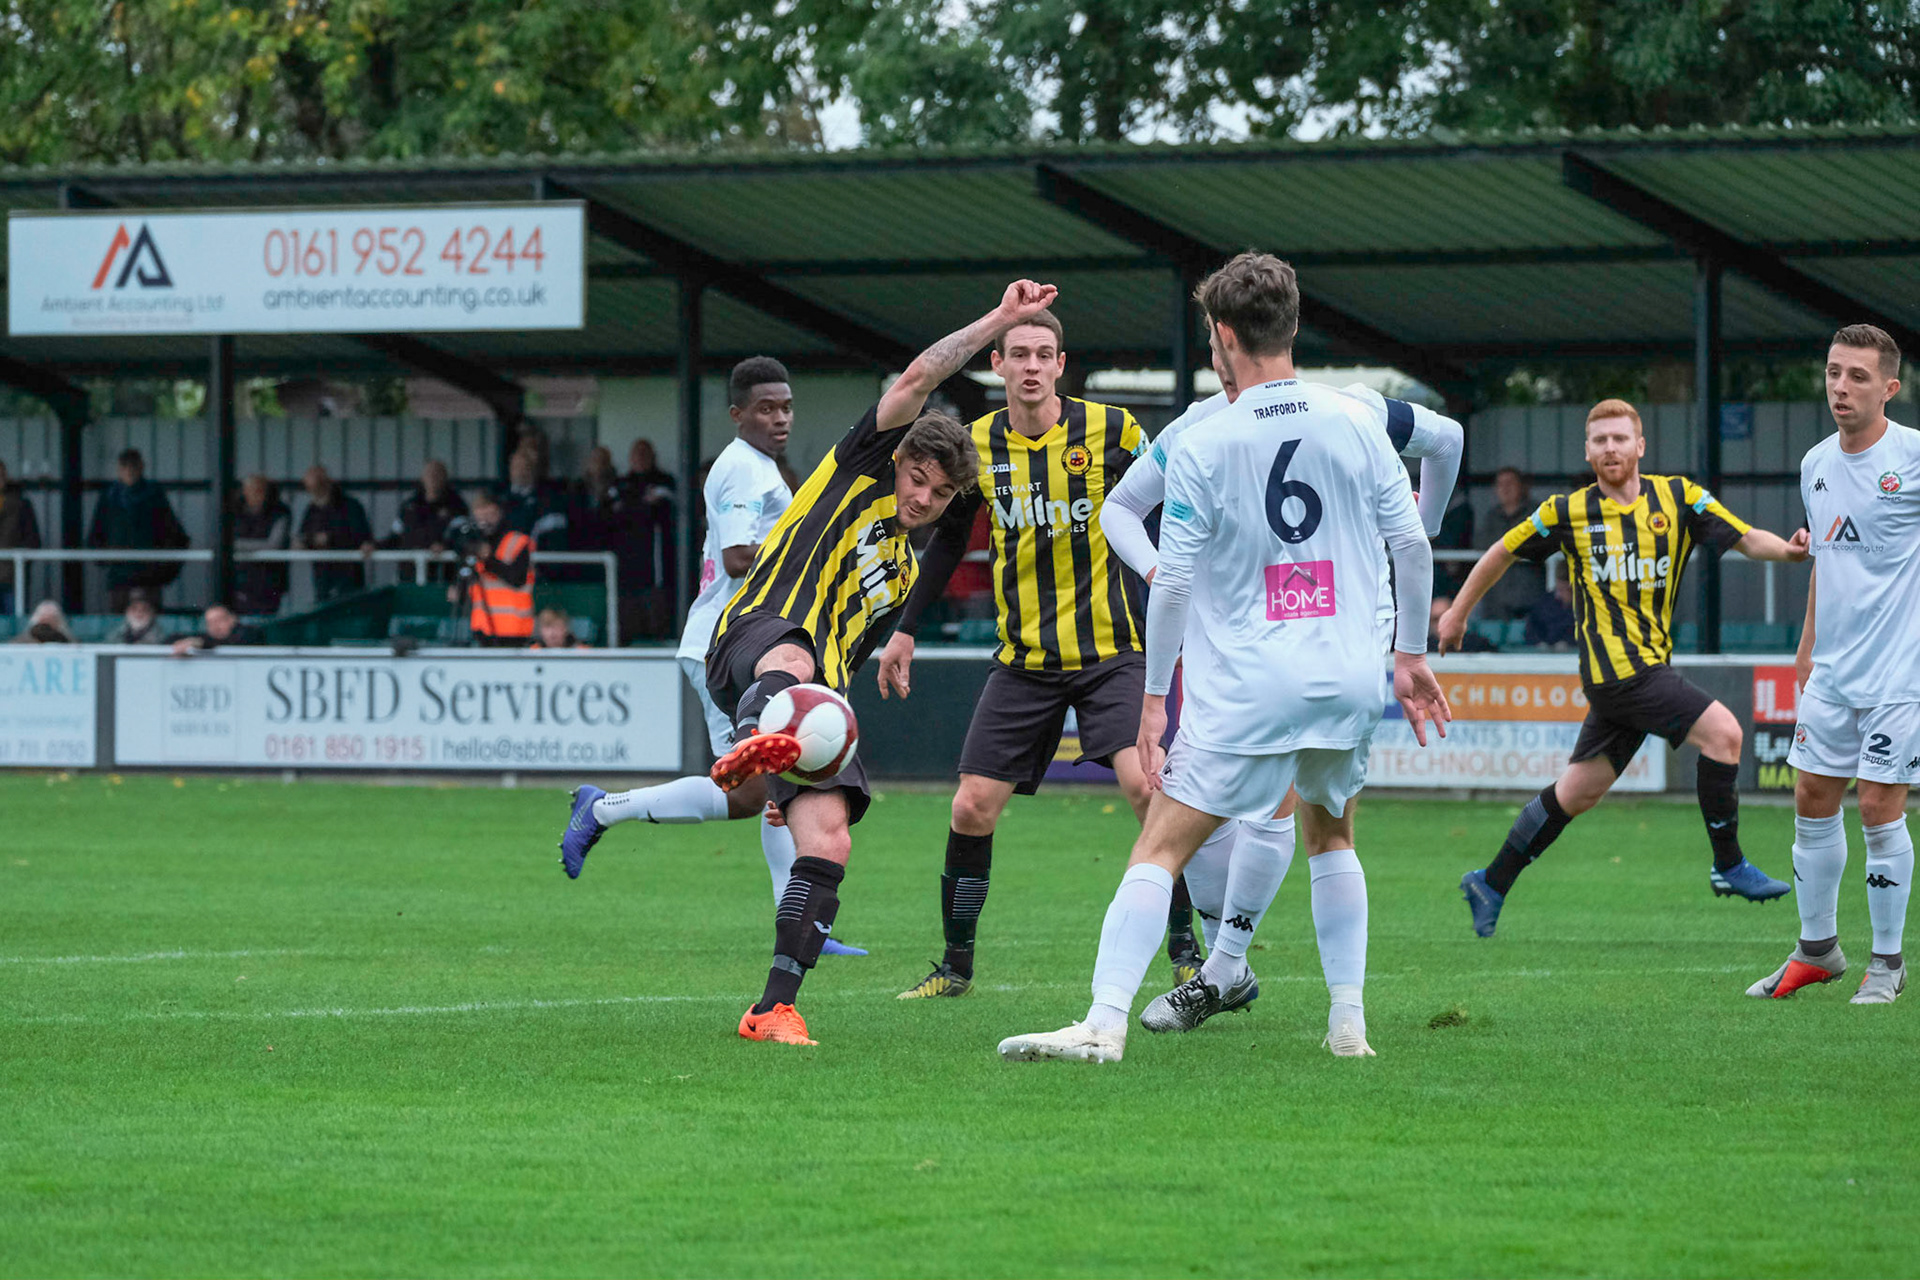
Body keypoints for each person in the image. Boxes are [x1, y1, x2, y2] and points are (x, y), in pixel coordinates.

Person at [559, 279, 1054, 1047]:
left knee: (827, 840)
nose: (921, 498)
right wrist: (1000, 319)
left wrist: (864, 681)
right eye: (916, 479)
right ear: (898, 459)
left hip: (811, 690)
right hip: (755, 636)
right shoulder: (861, 463)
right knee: (793, 659)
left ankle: (772, 1008)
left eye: (938, 493)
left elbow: (852, 644)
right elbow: (920, 376)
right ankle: (758, 732)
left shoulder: (901, 569)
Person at [997, 252, 1451, 1064]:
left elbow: (1172, 581)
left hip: (1253, 680)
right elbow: (1413, 546)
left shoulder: (1206, 437)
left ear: (1225, 337)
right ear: (1292, 326)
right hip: (1350, 675)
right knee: (1332, 834)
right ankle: (1348, 1026)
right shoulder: (1357, 417)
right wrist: (1411, 656)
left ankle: (1102, 1024)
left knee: (1161, 845)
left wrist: (1153, 701)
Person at [1101, 353, 1464, 1033]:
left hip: (1274, 660)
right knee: (1263, 825)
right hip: (1285, 658)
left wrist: (1421, 529)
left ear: (1230, 342)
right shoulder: (1347, 409)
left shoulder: (1222, 426)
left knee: (1206, 827)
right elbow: (1447, 442)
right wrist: (1423, 524)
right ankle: (1241, 972)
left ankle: (1203, 976)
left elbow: (1447, 442)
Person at [879, 308, 1195, 1001]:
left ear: (1060, 364)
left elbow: (1176, 509)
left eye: (1042, 354)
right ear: (997, 365)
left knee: (1147, 791)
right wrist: (905, 628)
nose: (1030, 365)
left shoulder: (1115, 430)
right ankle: (955, 967)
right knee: (971, 807)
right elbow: (950, 540)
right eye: (1017, 353)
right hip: (1024, 661)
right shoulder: (977, 443)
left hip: (1114, 651)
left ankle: (1186, 952)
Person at [1438, 398, 1811, 938]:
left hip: (1644, 669)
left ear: (1640, 445)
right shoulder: (1566, 511)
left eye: (1619, 438)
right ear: (1587, 452)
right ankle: (1728, 865)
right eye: (1600, 440)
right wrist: (1457, 614)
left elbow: (1746, 537)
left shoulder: (1679, 497)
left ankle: (1491, 881)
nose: (1610, 448)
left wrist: (1790, 552)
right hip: (1617, 673)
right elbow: (1501, 550)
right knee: (1726, 734)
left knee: (1578, 791)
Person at [571, 359, 868, 949]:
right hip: (726, 642)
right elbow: (737, 557)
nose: (780, 418)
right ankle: (603, 809)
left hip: (748, 639)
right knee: (764, 781)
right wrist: (812, 556)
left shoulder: (760, 468)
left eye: (786, 407)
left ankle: (799, 918)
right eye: (766, 408)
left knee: (765, 785)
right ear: (737, 414)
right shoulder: (741, 468)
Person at [1749, 324, 1919, 1005]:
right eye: (1833, 372)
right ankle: (1817, 950)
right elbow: (1825, 558)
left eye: (1857, 376)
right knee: (1811, 799)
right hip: (1832, 669)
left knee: (1877, 807)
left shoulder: (1913, 457)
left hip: (1901, 673)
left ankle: (1888, 964)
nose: (1840, 387)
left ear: (1890, 387)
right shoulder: (1815, 462)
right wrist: (1805, 648)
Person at [86, 448, 189, 611]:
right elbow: (96, 533)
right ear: (119, 469)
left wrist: (163, 571)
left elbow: (174, 535)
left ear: (141, 467)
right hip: (120, 575)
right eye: (125, 467)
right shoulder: (110, 496)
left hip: (149, 575)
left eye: (133, 467)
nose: (129, 471)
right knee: (120, 618)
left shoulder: (153, 495)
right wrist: (106, 558)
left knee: (148, 616)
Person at [450, 493, 535, 647]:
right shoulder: (475, 542)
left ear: (499, 513)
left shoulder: (517, 541)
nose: (485, 522)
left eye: (490, 515)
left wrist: (488, 559)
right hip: (483, 628)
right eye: (480, 517)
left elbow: (517, 579)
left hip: (514, 628)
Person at [616, 439, 678, 638]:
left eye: (645, 453)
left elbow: (659, 510)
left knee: (657, 618)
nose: (640, 458)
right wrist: (640, 505)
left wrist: (632, 506)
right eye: (637, 454)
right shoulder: (621, 483)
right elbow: (613, 515)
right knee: (630, 620)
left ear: (653, 457)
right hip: (627, 566)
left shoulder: (665, 481)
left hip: (656, 567)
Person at [378, 460, 468, 583]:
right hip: (408, 575)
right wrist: (374, 546)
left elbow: (462, 536)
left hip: (441, 578)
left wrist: (446, 545)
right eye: (429, 474)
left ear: (445, 477)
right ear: (422, 477)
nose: (433, 477)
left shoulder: (456, 506)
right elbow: (395, 537)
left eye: (437, 473)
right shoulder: (409, 506)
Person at [295, 465, 372, 602]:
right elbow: (303, 535)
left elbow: (361, 536)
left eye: (315, 487)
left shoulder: (350, 506)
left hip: (348, 573)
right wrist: (307, 541)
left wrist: (330, 538)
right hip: (322, 574)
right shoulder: (312, 509)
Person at [1479, 467, 1546, 620]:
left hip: (1530, 593)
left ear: (1522, 486)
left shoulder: (1537, 513)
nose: (1505, 488)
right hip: (1497, 593)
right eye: (1500, 484)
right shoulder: (1491, 517)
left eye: (1510, 483)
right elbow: (1481, 544)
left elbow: (1544, 543)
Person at [231, 474, 292, 616]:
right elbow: (228, 540)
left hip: (270, 580)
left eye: (259, 490)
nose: (254, 494)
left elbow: (274, 545)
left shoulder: (279, 512)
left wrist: (240, 545)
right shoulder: (236, 511)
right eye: (249, 490)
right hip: (241, 579)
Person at [0, 458, 43, 617]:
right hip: (12, 575)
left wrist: (19, 563)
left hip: (13, 578)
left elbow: (33, 540)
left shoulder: (21, 504)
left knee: (15, 623)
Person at [171, 604, 262, 654]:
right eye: (210, 623)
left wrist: (199, 643)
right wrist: (188, 642)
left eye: (219, 620)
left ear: (232, 619)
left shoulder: (249, 634)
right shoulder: (207, 638)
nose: (215, 627)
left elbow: (229, 643)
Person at [1522, 578, 1577, 648]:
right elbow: (1532, 627)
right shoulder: (1545, 604)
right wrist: (1538, 643)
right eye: (1557, 590)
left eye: (1563, 590)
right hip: (1543, 649)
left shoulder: (1581, 609)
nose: (1558, 595)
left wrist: (1568, 643)